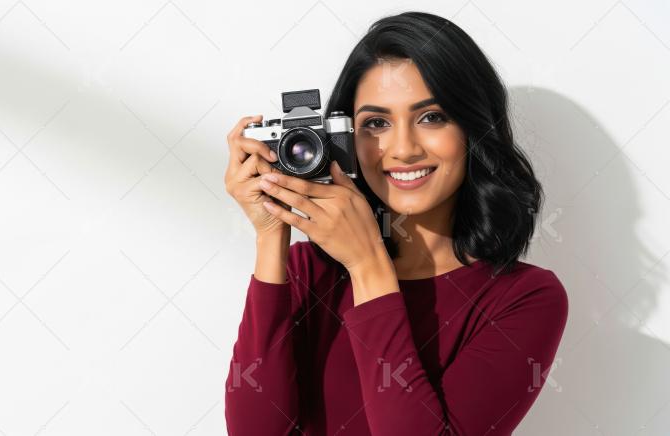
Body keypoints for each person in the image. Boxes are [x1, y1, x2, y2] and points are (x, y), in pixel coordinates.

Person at [223, 11, 568, 436]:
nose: (402, 149)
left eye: (431, 117)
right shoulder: (308, 272)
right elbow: (257, 432)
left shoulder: (524, 298)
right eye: (377, 123)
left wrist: (368, 266)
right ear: (346, 139)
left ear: (473, 129)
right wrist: (271, 233)